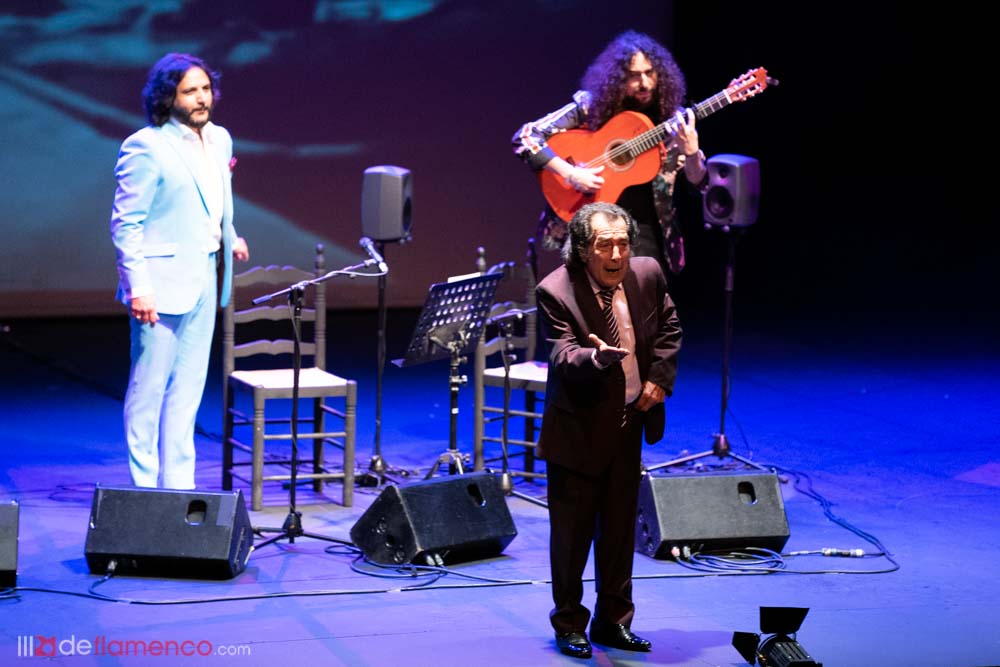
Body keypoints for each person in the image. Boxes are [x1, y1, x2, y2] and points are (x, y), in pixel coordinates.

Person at [535, 201, 681, 658]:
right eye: (605, 246)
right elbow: (562, 354)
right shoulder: (556, 291)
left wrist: (658, 379)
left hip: (628, 422)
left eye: (622, 244)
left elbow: (670, 328)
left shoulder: (647, 273)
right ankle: (569, 624)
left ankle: (613, 622)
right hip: (577, 430)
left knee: (618, 531)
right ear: (582, 250)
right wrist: (595, 357)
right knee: (573, 535)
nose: (617, 255)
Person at [110, 53, 249, 489]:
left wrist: (231, 234)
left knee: (189, 389)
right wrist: (139, 287)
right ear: (168, 97)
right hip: (160, 284)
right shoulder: (146, 145)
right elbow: (126, 224)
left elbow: (213, 199)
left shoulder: (220, 139)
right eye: (190, 91)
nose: (201, 98)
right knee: (149, 388)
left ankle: (180, 486)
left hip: (207, 275)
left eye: (205, 88)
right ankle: (145, 487)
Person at [513, 30, 707, 280]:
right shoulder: (590, 107)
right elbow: (526, 137)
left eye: (650, 73)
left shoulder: (675, 120)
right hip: (592, 226)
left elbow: (699, 183)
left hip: (646, 233)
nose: (645, 83)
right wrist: (571, 173)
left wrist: (692, 154)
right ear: (616, 79)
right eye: (634, 76)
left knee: (642, 313)